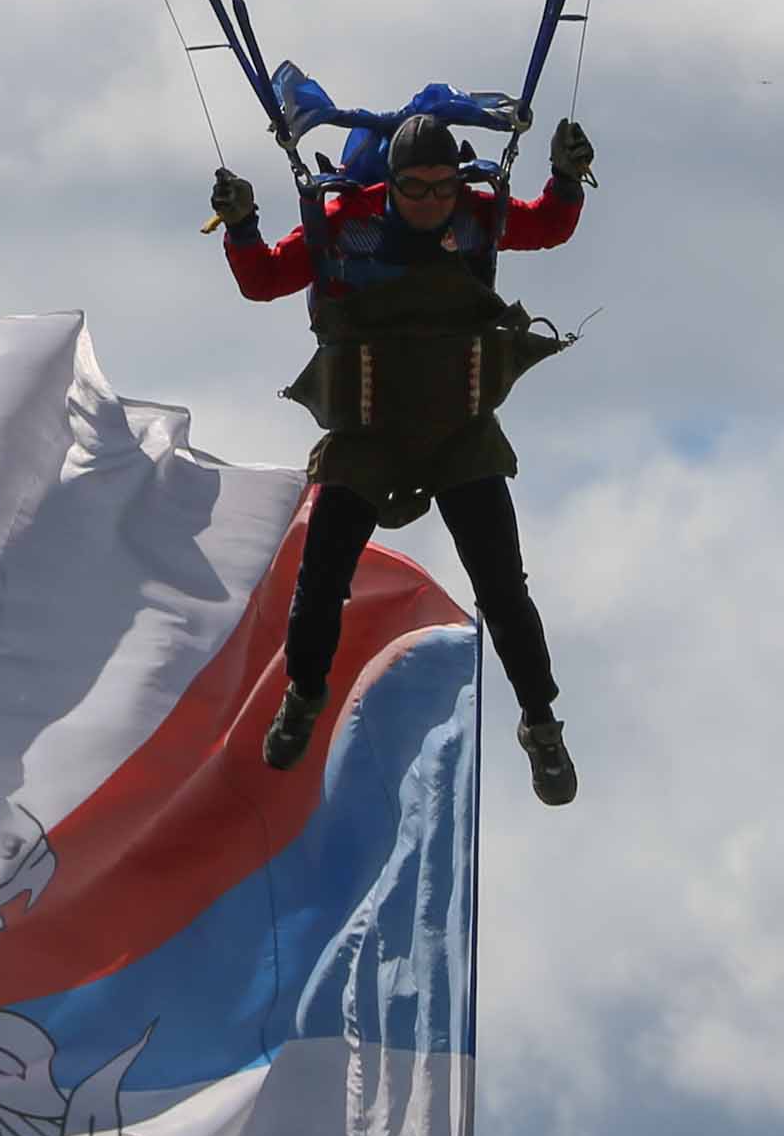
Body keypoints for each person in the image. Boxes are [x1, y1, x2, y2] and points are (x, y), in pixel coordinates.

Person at [208, 107, 596, 804]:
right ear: (388, 184)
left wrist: (566, 179)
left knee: (502, 587)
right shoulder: (344, 224)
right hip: (368, 433)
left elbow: (546, 225)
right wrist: (241, 226)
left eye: (443, 186)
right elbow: (263, 279)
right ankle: (304, 694)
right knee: (321, 575)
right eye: (414, 188)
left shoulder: (476, 218)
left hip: (459, 433)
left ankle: (541, 722)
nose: (430, 202)